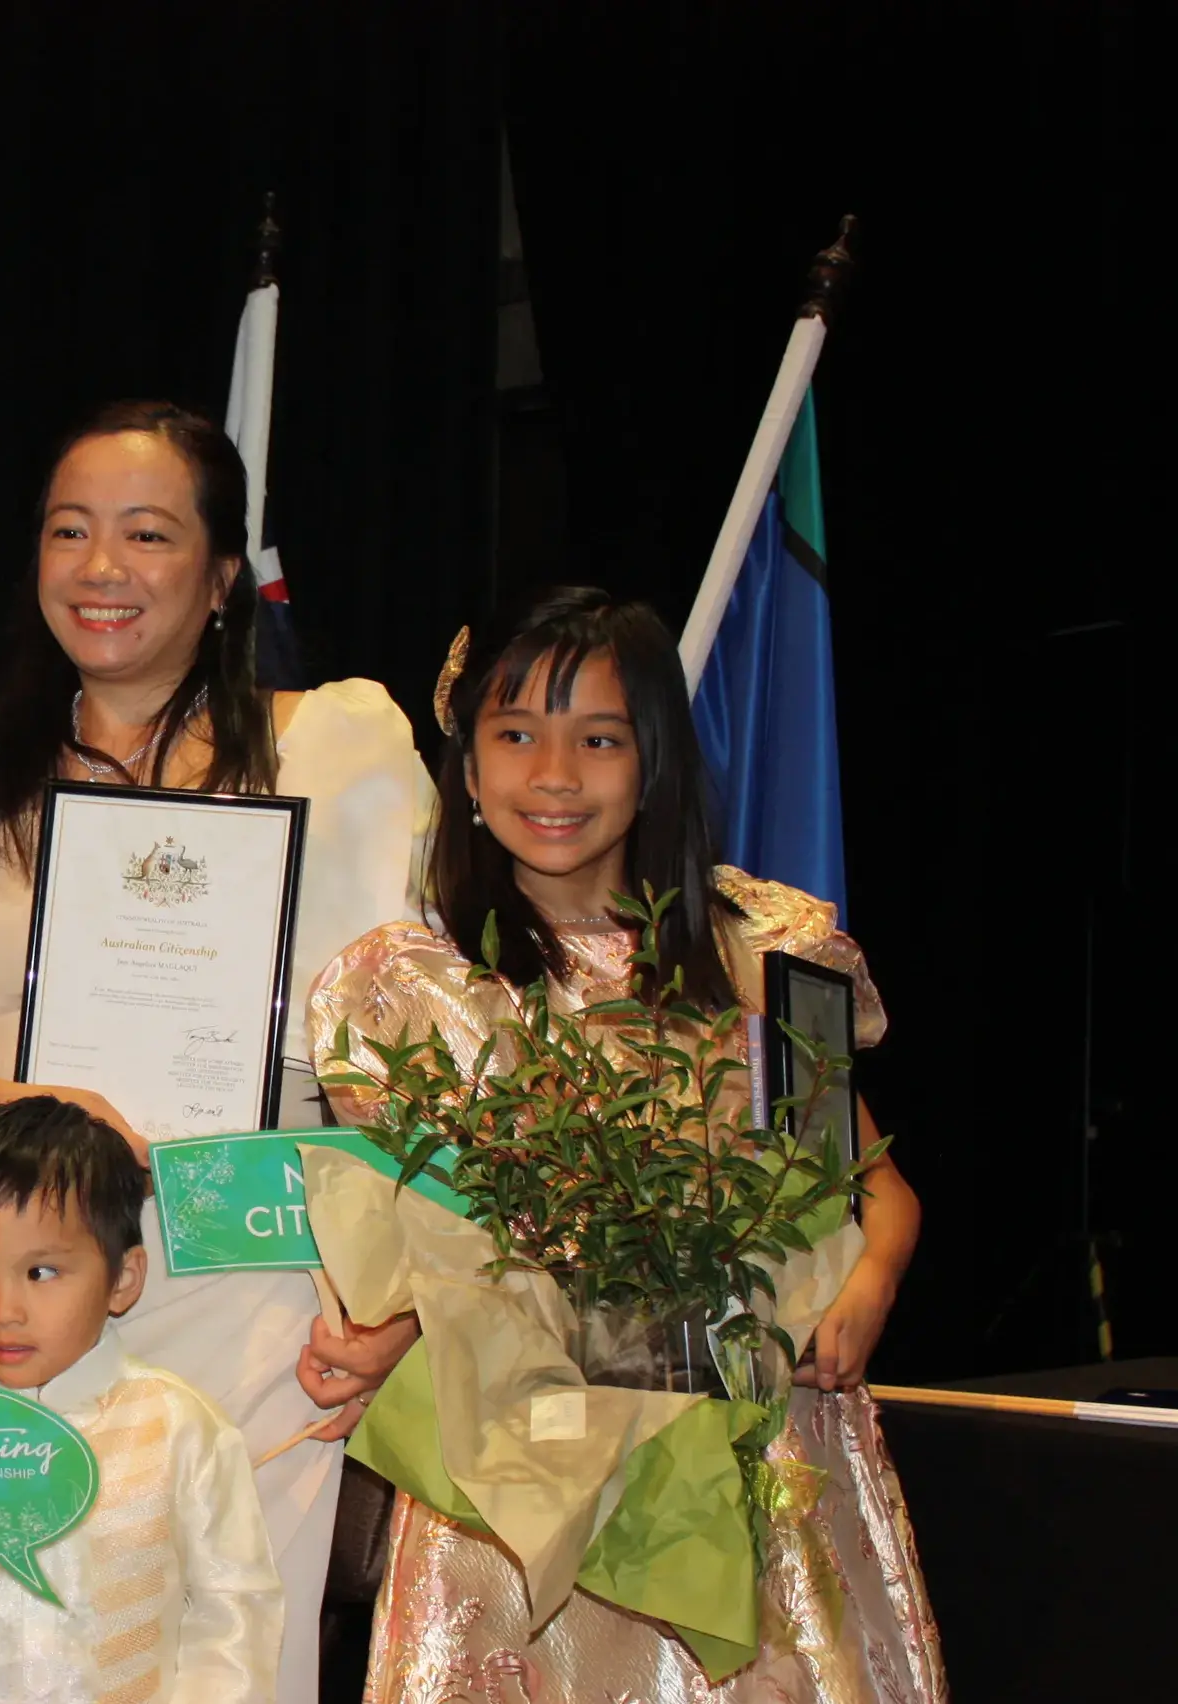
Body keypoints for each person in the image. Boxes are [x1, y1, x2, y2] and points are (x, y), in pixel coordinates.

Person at [0, 400, 434, 1702]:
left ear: (222, 577)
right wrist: (35, 1108)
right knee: (6, 1641)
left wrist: (394, 1293)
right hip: (16, 1293)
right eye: (69, 532)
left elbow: (412, 1059)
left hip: (252, 1299)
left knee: (228, 1646)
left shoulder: (334, 748)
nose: (101, 569)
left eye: (146, 534)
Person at [308, 586, 943, 1700]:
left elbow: (870, 1185)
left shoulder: (761, 959)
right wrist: (383, 1331)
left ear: (652, 763)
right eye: (516, 737)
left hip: (752, 1461)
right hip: (519, 1493)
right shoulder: (411, 992)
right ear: (466, 768)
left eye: (598, 739)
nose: (554, 775)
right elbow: (431, 1255)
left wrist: (871, 1281)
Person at [0, 1097, 283, 1700]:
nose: (3, 1311)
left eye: (41, 1272)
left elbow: (235, 1612)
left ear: (123, 1278)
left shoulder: (179, 1427)